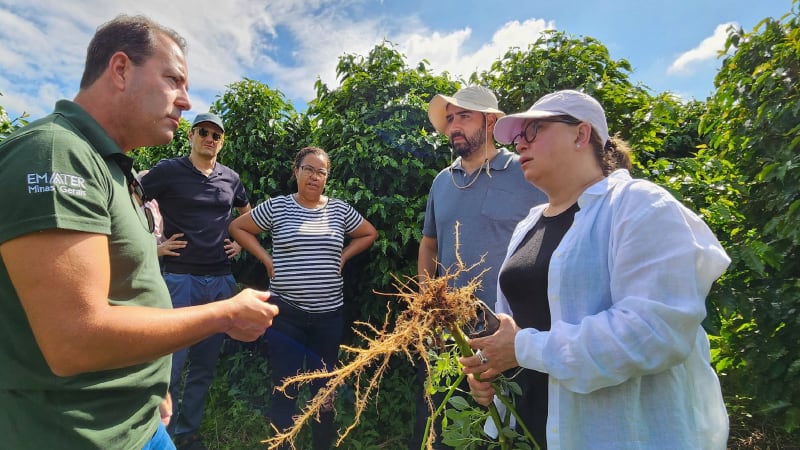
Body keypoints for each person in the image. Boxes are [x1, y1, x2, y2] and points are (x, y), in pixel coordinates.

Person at [0, 14, 278, 450]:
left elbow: (120, 290)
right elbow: (74, 340)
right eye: (173, 80)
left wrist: (149, 386)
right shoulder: (56, 156)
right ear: (120, 69)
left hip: (139, 420)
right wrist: (225, 313)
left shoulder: (111, 166)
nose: (185, 102)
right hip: (85, 435)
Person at [459, 89, 730, 449]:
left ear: (581, 134)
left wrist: (524, 348)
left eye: (533, 132)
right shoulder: (527, 226)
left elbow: (654, 331)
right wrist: (491, 369)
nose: (520, 144)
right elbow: (513, 331)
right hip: (528, 432)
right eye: (518, 137)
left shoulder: (639, 206)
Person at [412, 86, 547, 449]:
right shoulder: (442, 182)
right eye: (450, 118)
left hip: (508, 334)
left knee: (509, 430)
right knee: (443, 427)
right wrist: (430, 299)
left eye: (464, 116)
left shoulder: (524, 171)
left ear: (491, 121)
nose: (453, 125)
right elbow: (429, 244)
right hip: (451, 333)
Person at [230, 146, 377, 449]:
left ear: (327, 177)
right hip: (287, 315)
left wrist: (345, 256)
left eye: (321, 171)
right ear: (296, 171)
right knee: (285, 388)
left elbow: (368, 233)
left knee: (325, 390)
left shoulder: (339, 210)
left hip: (328, 317)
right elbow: (238, 227)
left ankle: (322, 444)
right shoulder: (278, 207)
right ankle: (282, 444)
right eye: (308, 169)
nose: (314, 176)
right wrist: (266, 260)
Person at [141, 111, 250, 449]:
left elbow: (247, 214)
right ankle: (159, 436)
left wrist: (238, 242)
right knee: (169, 364)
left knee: (204, 364)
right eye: (203, 132)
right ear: (190, 135)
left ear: (222, 142)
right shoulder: (169, 171)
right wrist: (154, 248)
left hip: (219, 281)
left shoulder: (230, 178)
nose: (210, 139)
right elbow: (129, 203)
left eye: (216, 135)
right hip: (179, 279)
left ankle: (187, 433)